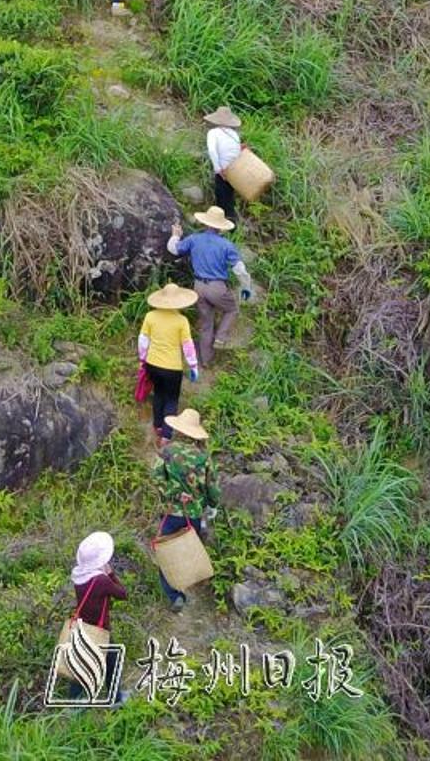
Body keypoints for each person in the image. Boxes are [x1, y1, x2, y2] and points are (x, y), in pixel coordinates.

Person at [168, 207, 252, 367]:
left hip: (198, 286)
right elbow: (239, 269)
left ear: (205, 223)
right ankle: (221, 337)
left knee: (206, 323)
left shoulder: (194, 239)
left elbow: (173, 249)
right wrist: (246, 287)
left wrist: (175, 236)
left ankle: (206, 361)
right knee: (232, 309)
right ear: (221, 227)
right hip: (217, 287)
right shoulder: (226, 245)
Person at [154, 408, 219, 612]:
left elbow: (157, 478)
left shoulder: (167, 451)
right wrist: (213, 505)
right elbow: (212, 487)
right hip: (195, 514)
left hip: (172, 511)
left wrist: (173, 493)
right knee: (187, 551)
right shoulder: (204, 457)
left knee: (167, 554)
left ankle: (175, 595)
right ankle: (186, 585)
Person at [56, 531, 128, 705]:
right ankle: (115, 699)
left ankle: (75, 702)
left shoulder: (79, 575)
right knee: (111, 662)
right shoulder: (101, 580)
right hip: (99, 630)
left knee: (82, 664)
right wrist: (110, 574)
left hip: (83, 627)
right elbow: (123, 594)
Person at [138, 283, 199, 448]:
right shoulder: (181, 321)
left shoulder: (150, 317)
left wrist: (142, 359)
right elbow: (187, 345)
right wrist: (193, 365)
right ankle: (166, 435)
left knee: (158, 394)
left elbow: (143, 340)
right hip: (172, 368)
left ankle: (157, 425)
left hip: (152, 363)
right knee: (171, 400)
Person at [204, 104, 242, 225]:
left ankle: (223, 227)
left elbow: (212, 151)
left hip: (223, 171)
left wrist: (218, 169)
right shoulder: (234, 135)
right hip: (236, 171)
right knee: (229, 199)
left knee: (222, 200)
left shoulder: (213, 133)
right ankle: (232, 225)